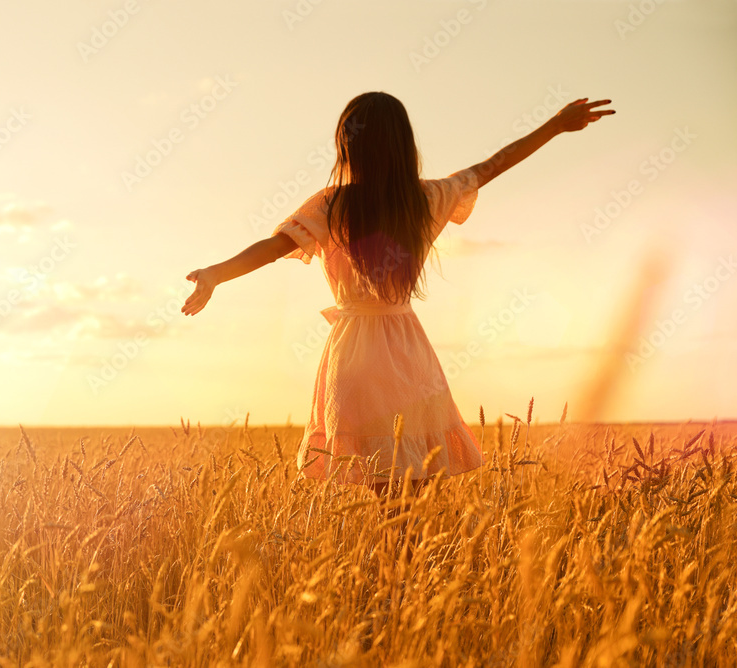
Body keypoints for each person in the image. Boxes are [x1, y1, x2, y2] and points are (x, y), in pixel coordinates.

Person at [182, 92, 615, 503]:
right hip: (408, 353)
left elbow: (274, 247)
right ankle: (403, 575)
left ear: (348, 148)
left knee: (388, 494)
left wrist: (217, 274)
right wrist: (555, 126)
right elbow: (492, 166)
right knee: (410, 496)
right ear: (404, 146)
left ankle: (394, 575)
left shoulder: (333, 204)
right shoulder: (424, 200)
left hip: (353, 356)